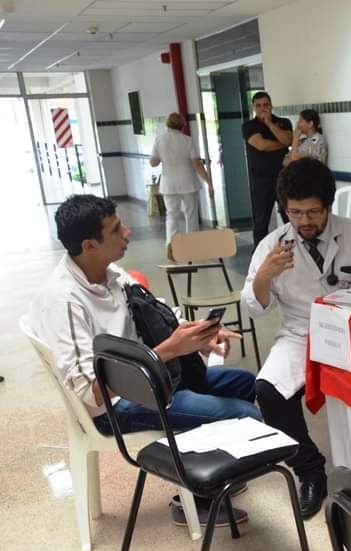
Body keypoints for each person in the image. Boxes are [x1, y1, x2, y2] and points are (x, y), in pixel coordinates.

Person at [29, 194, 259, 527]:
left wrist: (198, 333)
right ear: (90, 245)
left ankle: (212, 474)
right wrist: (167, 351)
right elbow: (91, 393)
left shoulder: (111, 273)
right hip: (118, 404)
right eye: (116, 229)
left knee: (246, 384)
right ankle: (192, 498)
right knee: (244, 414)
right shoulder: (63, 301)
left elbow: (160, 313)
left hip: (154, 377)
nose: (128, 232)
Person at [241, 157, 351, 518]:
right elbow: (254, 307)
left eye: (313, 212)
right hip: (301, 332)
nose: (304, 221)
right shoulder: (272, 247)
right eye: (295, 212)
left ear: (328, 205)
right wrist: (264, 276)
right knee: (268, 390)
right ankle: (310, 470)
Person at [149, 112, 212, 249]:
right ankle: (193, 245)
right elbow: (197, 164)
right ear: (182, 125)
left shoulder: (159, 139)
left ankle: (171, 246)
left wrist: (163, 157)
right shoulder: (187, 140)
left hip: (169, 184)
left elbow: (153, 162)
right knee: (191, 214)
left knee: (171, 215)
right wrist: (208, 182)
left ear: (168, 124)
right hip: (188, 182)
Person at [242, 91, 294, 247]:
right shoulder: (249, 126)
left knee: (290, 216)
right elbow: (261, 145)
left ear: (271, 105)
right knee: (261, 220)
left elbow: (288, 139)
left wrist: (270, 124)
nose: (262, 108)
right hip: (260, 179)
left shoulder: (283, 122)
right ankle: (259, 255)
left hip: (284, 177)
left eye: (265, 105)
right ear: (254, 107)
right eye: (258, 106)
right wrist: (283, 143)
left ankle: (295, 249)